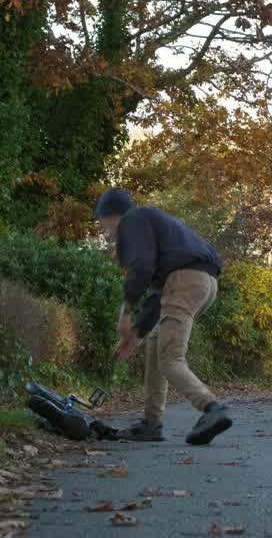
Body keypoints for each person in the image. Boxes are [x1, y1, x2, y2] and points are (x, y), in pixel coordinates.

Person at [95, 187, 233, 445]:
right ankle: (151, 423)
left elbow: (142, 267)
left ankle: (213, 409)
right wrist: (135, 333)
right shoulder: (153, 226)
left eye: (101, 222)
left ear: (111, 214)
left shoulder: (132, 220)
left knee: (171, 358)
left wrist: (126, 311)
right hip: (202, 283)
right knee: (156, 344)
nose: (103, 230)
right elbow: (160, 297)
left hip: (185, 280)